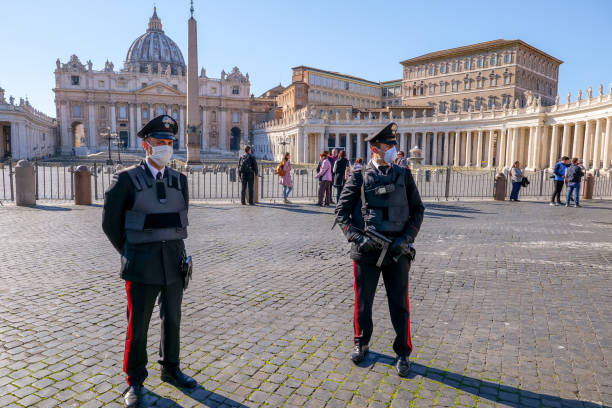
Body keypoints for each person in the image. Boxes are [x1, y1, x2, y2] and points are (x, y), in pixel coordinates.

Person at [102, 115, 196, 408]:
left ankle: (171, 368)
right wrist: (130, 250)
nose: (165, 148)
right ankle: (134, 380)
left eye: (169, 143)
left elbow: (179, 217)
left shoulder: (180, 180)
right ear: (146, 146)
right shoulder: (126, 180)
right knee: (138, 325)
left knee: (173, 319)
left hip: (174, 262)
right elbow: (110, 224)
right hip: (141, 264)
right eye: (159, 143)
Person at [335, 122, 424, 378]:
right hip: (366, 250)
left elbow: (418, 210)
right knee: (363, 303)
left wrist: (407, 238)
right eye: (389, 145)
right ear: (376, 148)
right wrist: (355, 237)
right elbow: (341, 212)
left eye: (393, 145)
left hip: (397, 251)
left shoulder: (404, 175)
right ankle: (361, 343)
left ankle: (403, 352)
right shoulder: (359, 176)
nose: (393, 149)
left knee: (400, 304)